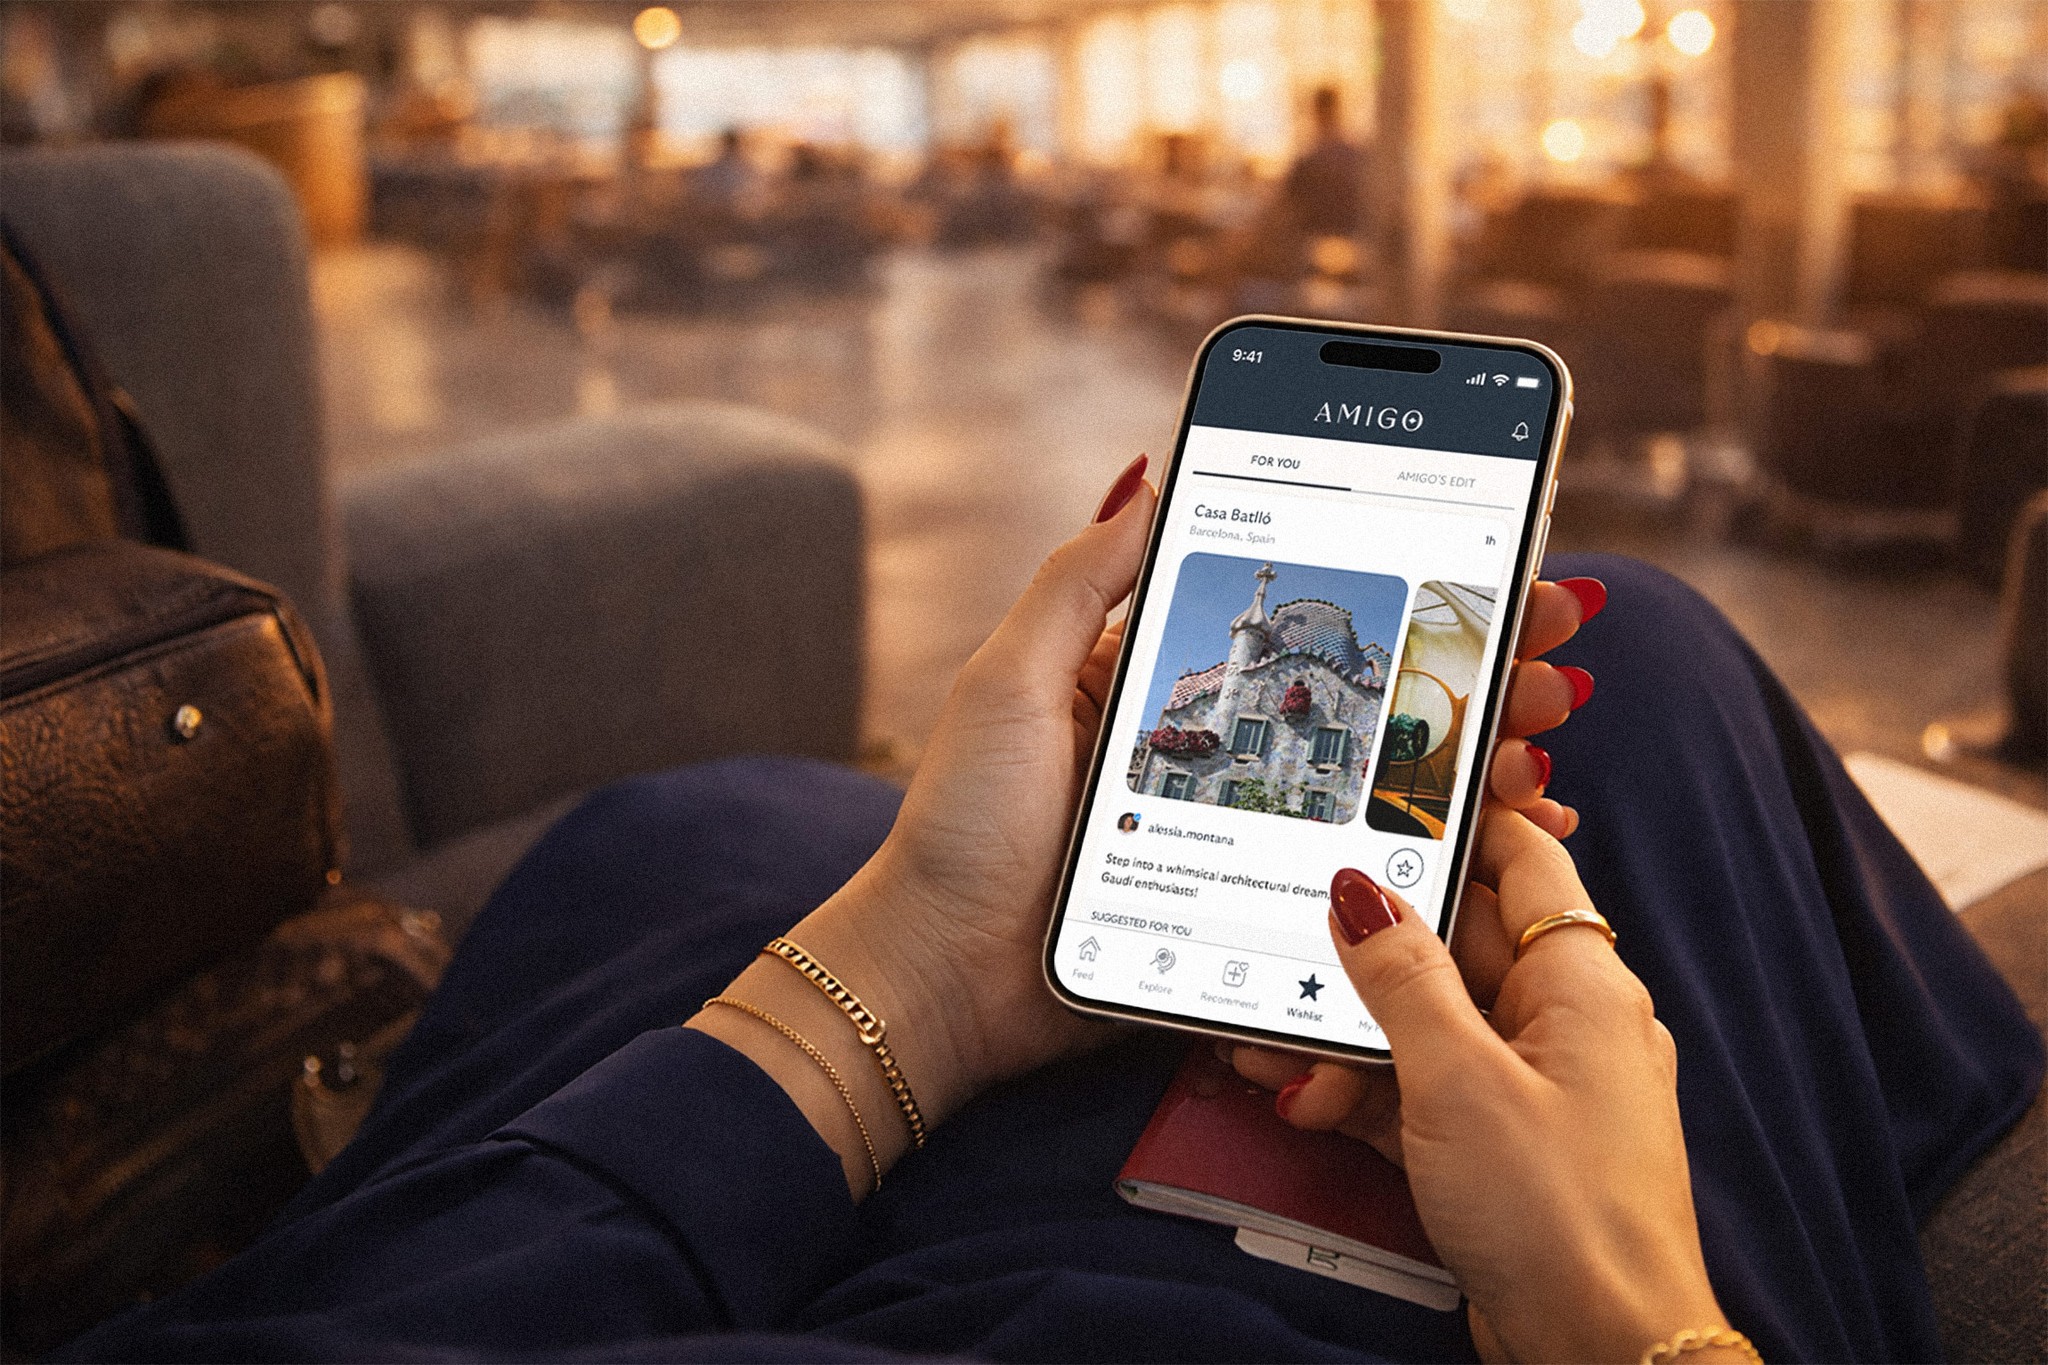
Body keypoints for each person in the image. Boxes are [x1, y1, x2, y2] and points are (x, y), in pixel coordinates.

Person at [61, 459, 2040, 1362]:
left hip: (669, 1218)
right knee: (1656, 671)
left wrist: (901, 993)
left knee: (683, 829)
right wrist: (1637, 1327)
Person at [1282, 86, 1371, 240]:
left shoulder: (1308, 160)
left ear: (1315, 113)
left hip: (1316, 237)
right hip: (1351, 236)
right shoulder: (1356, 155)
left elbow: (1291, 202)